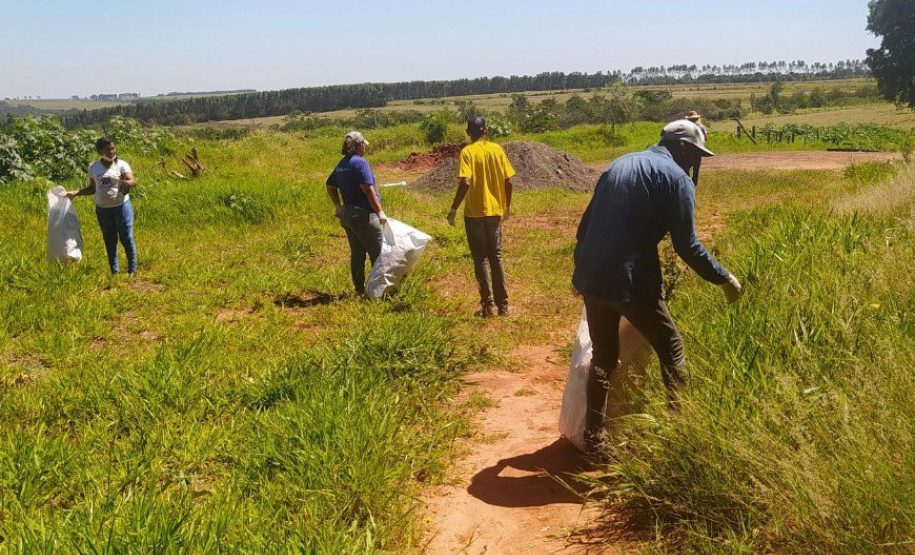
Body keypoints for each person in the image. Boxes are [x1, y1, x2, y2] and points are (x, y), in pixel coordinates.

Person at [572, 119, 742, 451]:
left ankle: (594, 439)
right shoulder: (676, 178)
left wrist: (582, 273)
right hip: (631, 278)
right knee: (672, 349)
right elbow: (687, 246)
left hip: (593, 276)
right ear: (681, 147)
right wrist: (724, 279)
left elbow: (585, 228)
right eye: (696, 155)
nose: (696, 164)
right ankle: (678, 433)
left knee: (604, 357)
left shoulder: (619, 164)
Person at [447, 117, 515, 317]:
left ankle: (487, 306)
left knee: (481, 260)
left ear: (468, 132)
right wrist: (507, 206)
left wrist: (453, 209)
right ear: (486, 131)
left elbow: (466, 182)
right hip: (495, 212)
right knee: (496, 257)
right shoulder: (497, 149)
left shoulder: (468, 152)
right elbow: (508, 181)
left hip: (475, 214)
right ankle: (503, 307)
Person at [326, 131, 388, 296]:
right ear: (359, 145)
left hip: (348, 214)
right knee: (378, 253)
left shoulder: (342, 164)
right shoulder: (360, 163)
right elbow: (368, 191)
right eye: (363, 145)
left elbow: (330, 185)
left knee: (357, 253)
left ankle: (359, 290)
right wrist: (380, 212)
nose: (365, 148)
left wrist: (338, 206)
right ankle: (378, 291)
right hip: (364, 215)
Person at [66, 137, 138, 274]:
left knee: (127, 238)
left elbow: (132, 180)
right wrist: (75, 193)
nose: (111, 152)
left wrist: (127, 183)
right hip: (103, 211)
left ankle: (132, 271)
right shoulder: (94, 167)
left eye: (113, 148)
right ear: (100, 151)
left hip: (121, 208)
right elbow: (92, 189)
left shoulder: (121, 165)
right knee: (109, 239)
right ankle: (114, 272)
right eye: (107, 149)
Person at [684, 111, 709, 186]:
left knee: (685, 168)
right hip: (698, 150)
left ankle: (688, 184)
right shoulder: (701, 127)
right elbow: (705, 139)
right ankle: (694, 186)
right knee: (696, 170)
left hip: (688, 150)